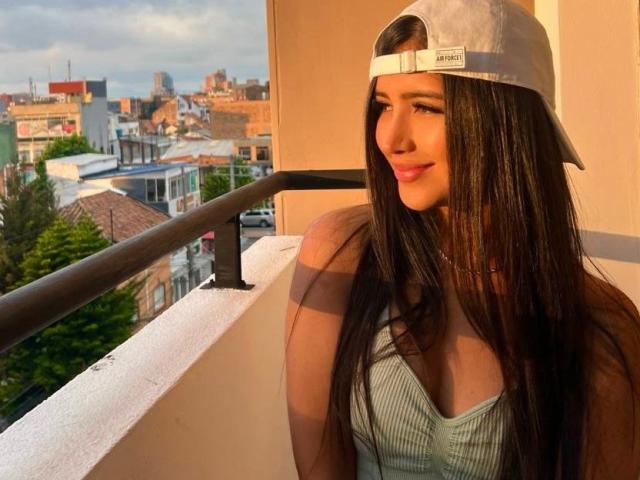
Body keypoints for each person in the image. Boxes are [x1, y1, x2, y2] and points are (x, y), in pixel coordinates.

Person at [285, 0, 640, 478]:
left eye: (425, 107)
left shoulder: (601, 326)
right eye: (384, 106)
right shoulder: (342, 254)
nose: (391, 138)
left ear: (505, 119)